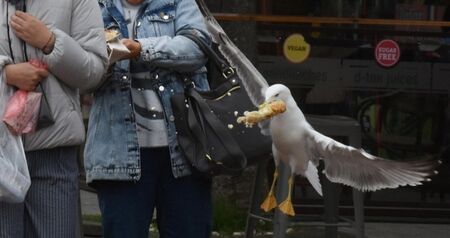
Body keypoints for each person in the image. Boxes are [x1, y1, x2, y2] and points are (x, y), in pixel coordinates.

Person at [83, 0, 212, 237]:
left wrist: (140, 48)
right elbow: (82, 73)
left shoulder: (179, 2)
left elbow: (198, 47)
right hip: (118, 154)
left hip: (186, 151)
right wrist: (102, 61)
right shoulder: (94, 7)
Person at [0, 0, 108, 237]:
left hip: (54, 153)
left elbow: (94, 72)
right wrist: (5, 73)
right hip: (2, 153)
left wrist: (50, 42)